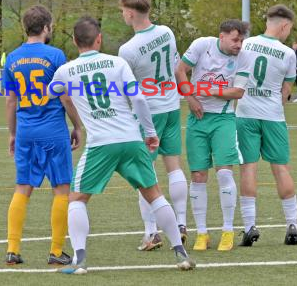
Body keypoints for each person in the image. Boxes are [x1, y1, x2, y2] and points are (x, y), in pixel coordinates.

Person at [50, 17, 195, 274]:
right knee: (154, 194)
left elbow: (52, 92)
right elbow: (138, 98)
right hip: (130, 139)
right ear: (99, 39)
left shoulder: (66, 71)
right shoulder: (117, 63)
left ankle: (79, 259)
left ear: (74, 41)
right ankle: (181, 253)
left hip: (101, 144)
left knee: (77, 199)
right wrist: (149, 132)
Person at [2, 5, 83, 266]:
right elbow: (65, 96)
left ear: (25, 28)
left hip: (26, 130)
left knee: (22, 187)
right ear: (46, 27)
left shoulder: (12, 58)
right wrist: (78, 126)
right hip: (52, 130)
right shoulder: (56, 55)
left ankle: (12, 249)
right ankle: (56, 251)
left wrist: (13, 133)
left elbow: (10, 101)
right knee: (61, 189)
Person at [117, 0, 188, 251]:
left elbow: (129, 90)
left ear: (132, 12)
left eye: (123, 10)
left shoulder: (128, 49)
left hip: (149, 112)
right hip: (171, 106)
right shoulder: (167, 32)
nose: (122, 14)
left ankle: (151, 233)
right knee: (174, 165)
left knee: (143, 172)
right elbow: (174, 65)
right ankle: (180, 223)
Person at [175, 19, 245, 252]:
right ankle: (202, 233)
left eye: (242, 40)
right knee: (197, 176)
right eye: (235, 40)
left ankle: (227, 230)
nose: (239, 45)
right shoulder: (201, 45)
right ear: (222, 36)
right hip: (197, 120)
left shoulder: (243, 58)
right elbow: (180, 70)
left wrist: (209, 91)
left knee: (224, 173)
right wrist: (192, 98)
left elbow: (237, 92)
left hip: (223, 120)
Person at [235, 4, 297, 247]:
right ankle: (292, 224)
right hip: (273, 115)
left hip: (245, 113)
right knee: (281, 168)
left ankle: (250, 227)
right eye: (288, 29)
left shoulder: (246, 45)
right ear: (284, 25)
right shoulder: (287, 53)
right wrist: (274, 103)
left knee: (248, 169)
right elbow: (286, 90)